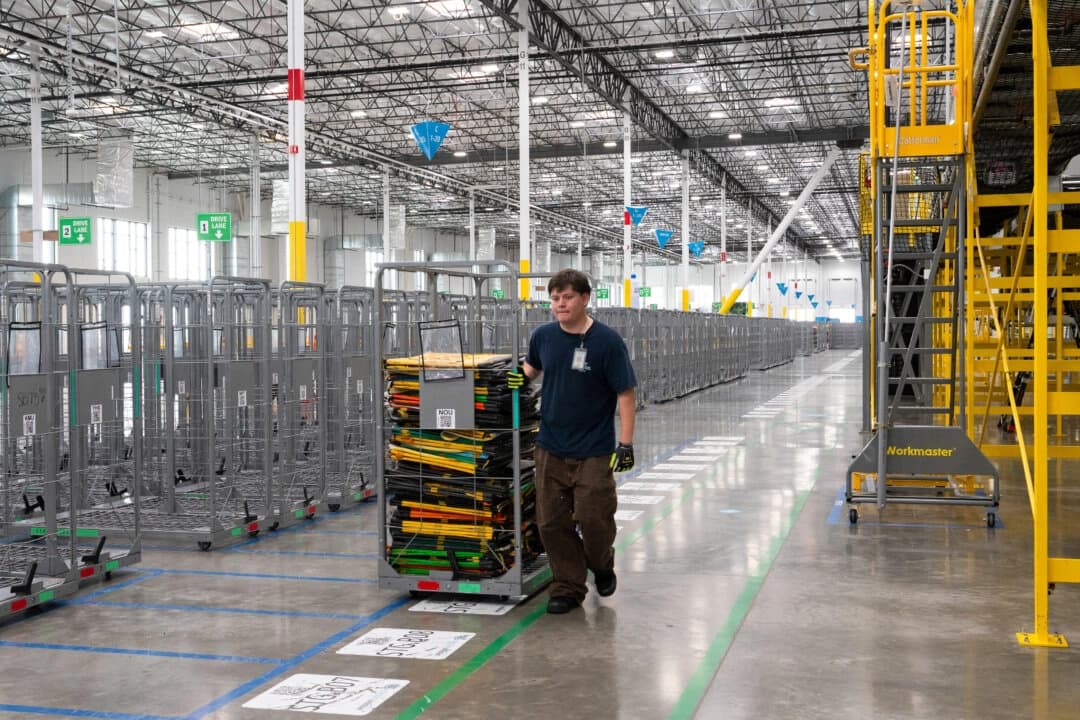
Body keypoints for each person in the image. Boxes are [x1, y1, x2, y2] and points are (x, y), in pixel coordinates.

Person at [508, 269, 637, 614]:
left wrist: (625, 443)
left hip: (593, 448)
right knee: (550, 521)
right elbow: (530, 370)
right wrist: (511, 378)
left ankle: (602, 562)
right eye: (554, 298)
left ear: (584, 299)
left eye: (567, 297)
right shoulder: (544, 336)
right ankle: (567, 586)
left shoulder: (606, 342)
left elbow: (625, 393)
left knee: (594, 517)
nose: (560, 304)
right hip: (550, 445)